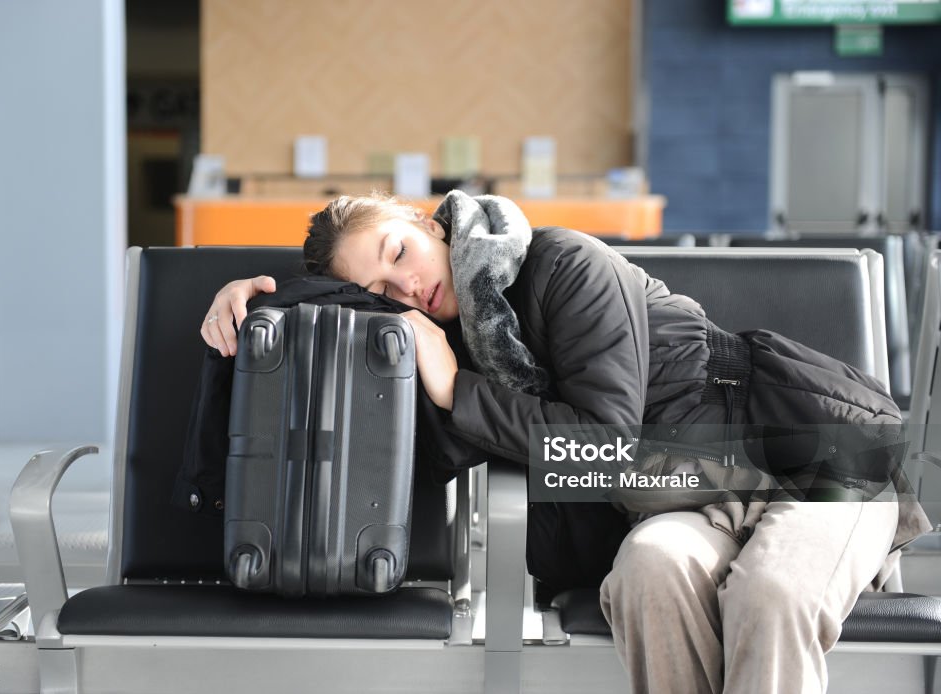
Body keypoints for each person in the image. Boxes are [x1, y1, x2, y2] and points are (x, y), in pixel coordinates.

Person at [200, 191, 930, 694]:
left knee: (770, 591)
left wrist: (459, 390)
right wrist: (255, 301)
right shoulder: (439, 343)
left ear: (431, 225)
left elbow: (608, 446)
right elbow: (338, 340)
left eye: (399, 252)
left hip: (812, 458)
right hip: (682, 499)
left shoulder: (562, 265)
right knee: (647, 572)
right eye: (380, 291)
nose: (404, 287)